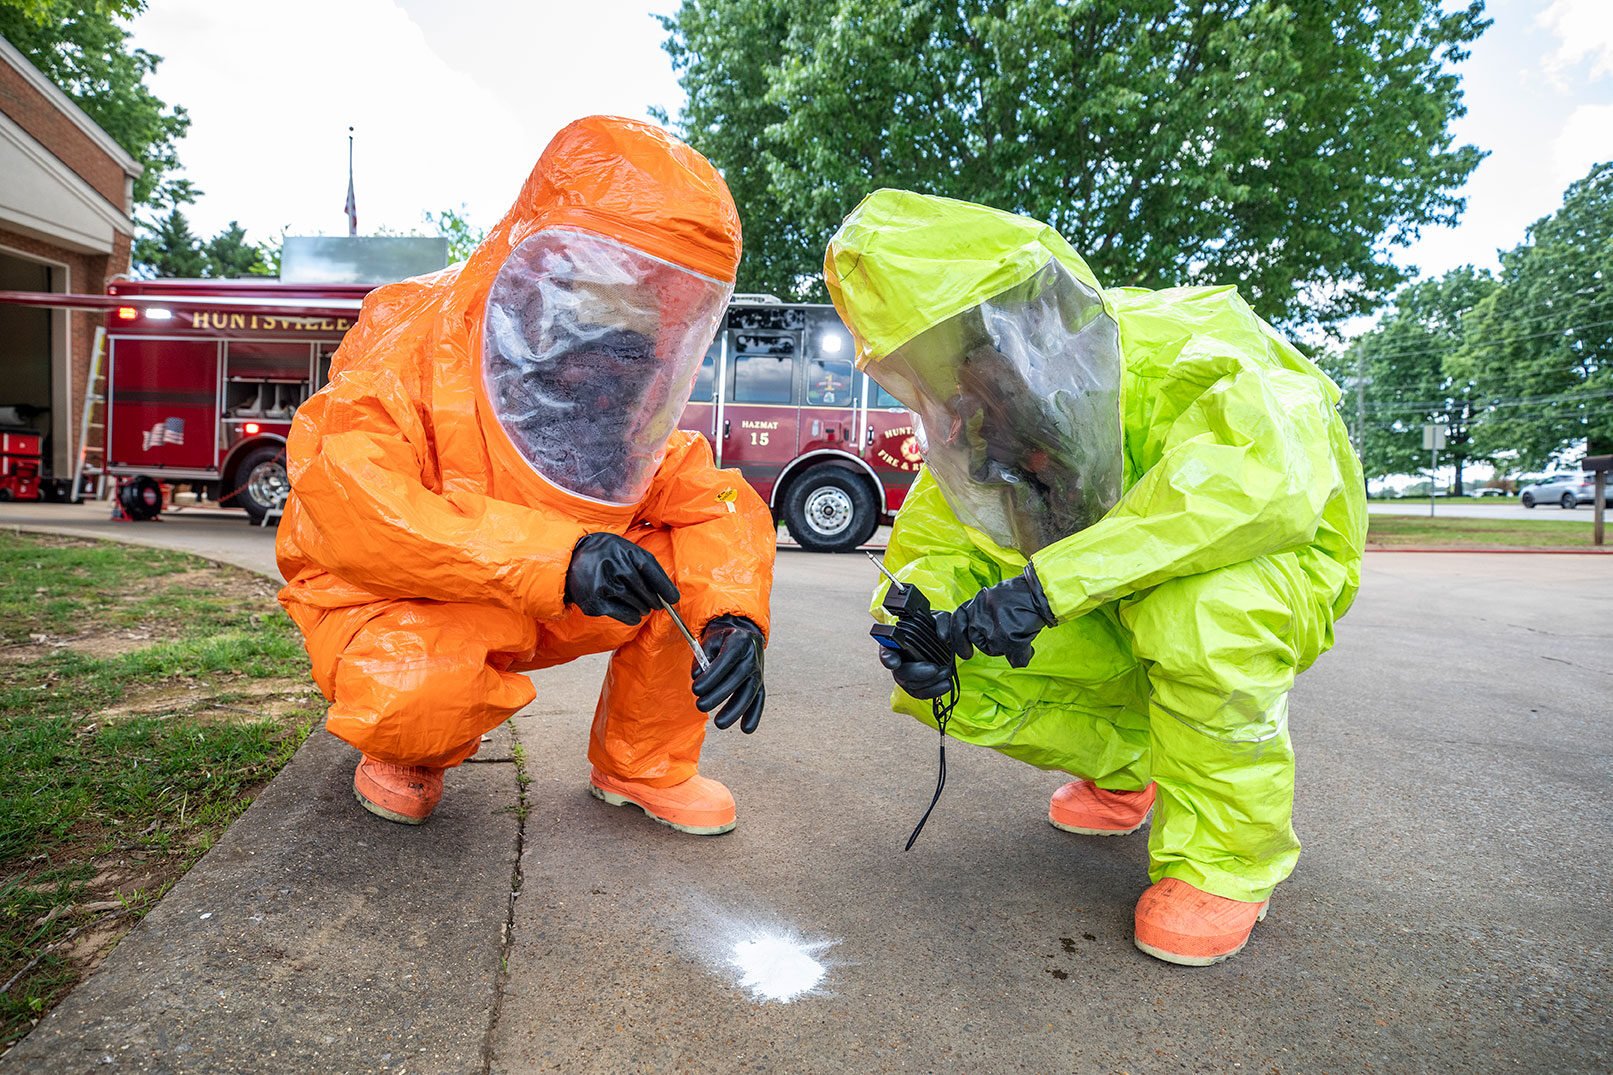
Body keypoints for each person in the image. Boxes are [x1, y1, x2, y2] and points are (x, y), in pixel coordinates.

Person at [825, 190, 1366, 965]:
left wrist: (1046, 588)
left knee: (1200, 613)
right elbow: (936, 544)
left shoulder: (1190, 344)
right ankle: (1131, 771)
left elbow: (1252, 491)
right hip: (1108, 593)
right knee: (947, 675)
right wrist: (924, 619)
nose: (970, 400)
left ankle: (1225, 859)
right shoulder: (982, 423)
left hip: (1271, 565)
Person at [276, 116, 773, 834]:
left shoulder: (616, 394)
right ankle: (406, 753)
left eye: (631, 338)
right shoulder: (411, 351)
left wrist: (733, 619)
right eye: (589, 319)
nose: (611, 360)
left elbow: (712, 502)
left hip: (542, 592)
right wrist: (558, 559)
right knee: (421, 688)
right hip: (404, 594)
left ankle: (642, 765)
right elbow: (356, 511)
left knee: (693, 566)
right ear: (532, 276)